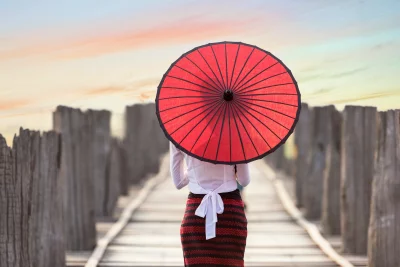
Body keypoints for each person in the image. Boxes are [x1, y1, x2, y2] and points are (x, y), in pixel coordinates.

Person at [170, 141, 250, 267]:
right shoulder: (235, 135)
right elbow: (244, 180)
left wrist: (194, 171)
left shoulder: (180, 135)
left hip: (196, 216)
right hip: (230, 214)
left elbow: (178, 182)